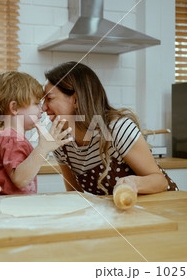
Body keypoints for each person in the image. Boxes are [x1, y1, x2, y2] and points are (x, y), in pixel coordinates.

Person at [42, 62, 178, 195]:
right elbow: (74, 194)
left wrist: (133, 183)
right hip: (123, 214)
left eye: (49, 98)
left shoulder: (117, 129)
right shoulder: (60, 141)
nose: (43, 108)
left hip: (162, 207)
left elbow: (160, 181)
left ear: (76, 100)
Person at [0, 71, 73, 195]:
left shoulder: (11, 137)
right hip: (2, 207)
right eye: (36, 104)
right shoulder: (11, 138)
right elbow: (20, 180)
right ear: (14, 108)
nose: (41, 109)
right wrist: (42, 148)